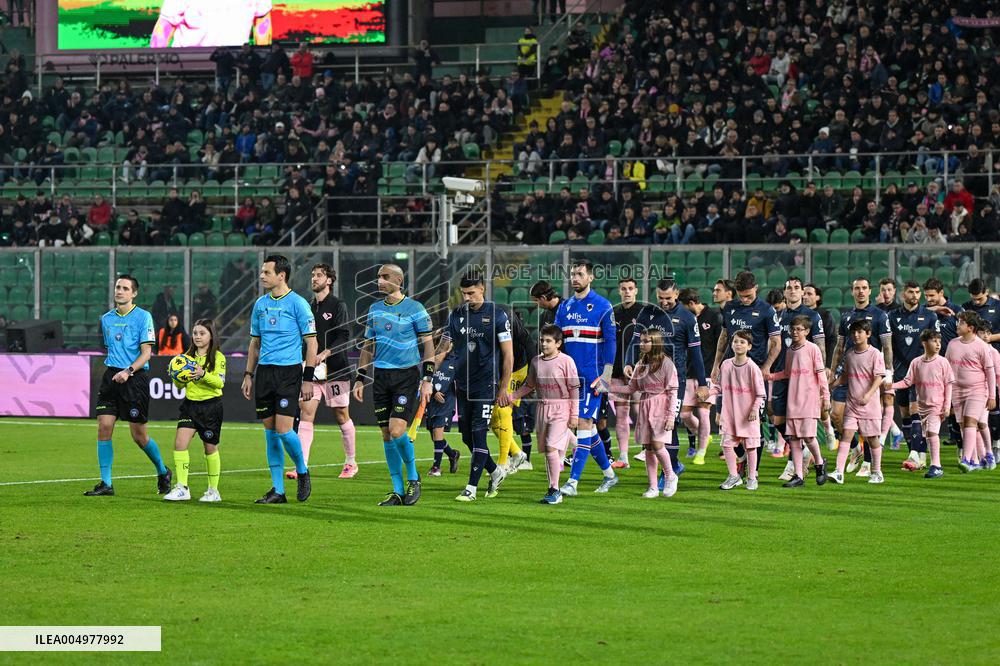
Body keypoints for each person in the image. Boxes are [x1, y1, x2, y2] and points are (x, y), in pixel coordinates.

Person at [352, 264, 434, 506]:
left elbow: (428, 345)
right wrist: (360, 377)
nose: (379, 281)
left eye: (385, 277)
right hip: (381, 377)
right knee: (386, 435)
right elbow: (368, 346)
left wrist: (427, 379)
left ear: (398, 280)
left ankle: (414, 478)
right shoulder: (374, 309)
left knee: (397, 430)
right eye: (378, 277)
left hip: (406, 376)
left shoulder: (415, 309)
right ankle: (397, 490)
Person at [85, 275, 171, 496]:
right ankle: (106, 483)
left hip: (134, 378)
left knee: (139, 436)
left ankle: (163, 471)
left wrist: (128, 371)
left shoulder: (143, 317)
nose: (119, 291)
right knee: (104, 426)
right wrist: (118, 372)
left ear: (134, 293)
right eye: (117, 287)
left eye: (125, 288)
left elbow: (146, 353)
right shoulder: (106, 319)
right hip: (111, 377)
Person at [241, 255, 317, 504]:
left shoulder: (298, 304)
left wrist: (308, 378)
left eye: (267, 272)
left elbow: (312, 343)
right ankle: (278, 490)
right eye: (262, 272)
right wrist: (248, 374)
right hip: (265, 373)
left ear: (281, 275)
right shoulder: (260, 304)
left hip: (289, 372)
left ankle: (302, 469)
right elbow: (255, 343)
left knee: (284, 430)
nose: (262, 276)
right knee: (270, 433)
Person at [434, 272, 514, 502]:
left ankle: (471, 488)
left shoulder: (497, 315)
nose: (467, 298)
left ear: (482, 288)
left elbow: (508, 355)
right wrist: (427, 376)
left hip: (486, 384)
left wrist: (503, 388)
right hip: (462, 384)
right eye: (464, 293)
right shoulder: (457, 314)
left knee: (479, 435)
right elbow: (443, 348)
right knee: (467, 438)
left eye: (471, 293)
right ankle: (496, 471)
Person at [625, 278, 708, 477]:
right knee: (655, 426)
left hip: (675, 380)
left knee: (671, 422)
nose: (664, 302)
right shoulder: (647, 313)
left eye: (668, 298)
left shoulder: (687, 318)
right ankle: (673, 466)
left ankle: (667, 473)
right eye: (660, 298)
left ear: (677, 294)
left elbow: (696, 352)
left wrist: (702, 383)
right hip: (650, 380)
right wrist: (628, 362)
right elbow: (635, 340)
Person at [556, 260, 619, 497]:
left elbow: (611, 341)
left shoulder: (603, 305)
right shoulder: (565, 307)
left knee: (583, 424)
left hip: (592, 379)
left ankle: (572, 482)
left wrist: (607, 375)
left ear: (590, 277)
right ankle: (610, 475)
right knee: (589, 430)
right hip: (570, 379)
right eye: (573, 274)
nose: (575, 278)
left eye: (580, 274)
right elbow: (558, 341)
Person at [288, 264, 357, 481]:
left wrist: (325, 353)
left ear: (329, 280)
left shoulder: (338, 305)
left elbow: (344, 335)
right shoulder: (308, 307)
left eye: (319, 275)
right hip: (312, 370)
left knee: (341, 414)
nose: (314, 278)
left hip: (336, 369)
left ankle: (351, 462)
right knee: (306, 413)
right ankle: (301, 466)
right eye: (312, 275)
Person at [711, 271, 780, 474]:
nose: (745, 300)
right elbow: (724, 337)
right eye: (742, 296)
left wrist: (766, 367)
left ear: (756, 288)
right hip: (731, 372)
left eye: (749, 296)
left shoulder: (767, 310)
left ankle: (752, 471)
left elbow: (776, 342)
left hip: (754, 372)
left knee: (754, 422)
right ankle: (741, 458)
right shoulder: (730, 307)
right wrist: (716, 365)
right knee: (723, 419)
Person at [828, 277, 893, 478]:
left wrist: (888, 373)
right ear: (852, 291)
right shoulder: (846, 316)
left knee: (870, 430)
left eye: (864, 288)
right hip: (848, 371)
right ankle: (855, 450)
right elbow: (839, 346)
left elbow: (887, 346)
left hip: (870, 375)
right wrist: (833, 373)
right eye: (857, 288)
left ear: (870, 291)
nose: (861, 291)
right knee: (835, 415)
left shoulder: (880, 315)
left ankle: (870, 465)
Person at [512, 325, 580, 504]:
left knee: (550, 448)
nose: (544, 344)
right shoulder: (535, 361)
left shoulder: (567, 361)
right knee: (547, 450)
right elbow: (529, 385)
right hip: (542, 408)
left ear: (558, 343)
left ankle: (554, 490)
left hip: (561, 407)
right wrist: (512, 397)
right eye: (542, 340)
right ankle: (575, 444)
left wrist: (574, 415)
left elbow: (574, 389)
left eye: (548, 341)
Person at [164, 319, 226, 502]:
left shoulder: (218, 357)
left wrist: (203, 374)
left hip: (211, 407)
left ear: (211, 336)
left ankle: (213, 491)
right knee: (179, 444)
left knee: (210, 447)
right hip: (190, 405)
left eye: (202, 333)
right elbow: (179, 385)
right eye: (195, 333)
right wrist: (176, 376)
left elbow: (220, 382)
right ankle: (182, 488)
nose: (197, 337)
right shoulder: (186, 357)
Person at [614, 330, 680, 499]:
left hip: (661, 406)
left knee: (657, 445)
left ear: (655, 343)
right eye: (641, 341)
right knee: (649, 448)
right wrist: (609, 387)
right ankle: (652, 487)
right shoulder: (640, 364)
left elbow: (673, 392)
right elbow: (631, 388)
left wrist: (671, 416)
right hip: (645, 405)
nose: (641, 344)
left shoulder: (667, 364)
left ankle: (670, 475)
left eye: (646, 341)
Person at [771, 277, 825, 481]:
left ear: (802, 292)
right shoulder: (777, 316)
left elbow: (819, 346)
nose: (792, 291)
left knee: (803, 432)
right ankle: (801, 457)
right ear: (784, 292)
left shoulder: (812, 316)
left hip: (803, 381)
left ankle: (795, 465)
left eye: (796, 287)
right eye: (789, 288)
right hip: (782, 374)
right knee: (778, 420)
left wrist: (821, 379)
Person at [765, 315, 830, 487]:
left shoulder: (813, 349)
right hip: (792, 400)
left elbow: (821, 374)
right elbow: (787, 373)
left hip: (809, 400)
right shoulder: (790, 350)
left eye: (799, 329)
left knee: (808, 437)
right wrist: (770, 376)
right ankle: (799, 476)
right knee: (793, 438)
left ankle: (819, 464)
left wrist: (826, 397)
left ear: (807, 331)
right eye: (793, 329)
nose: (795, 332)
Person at [888, 281, 939, 470]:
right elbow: (888, 344)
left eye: (918, 292)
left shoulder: (930, 316)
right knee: (905, 414)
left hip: (921, 371)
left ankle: (916, 455)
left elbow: (936, 343)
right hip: (900, 371)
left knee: (915, 410)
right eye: (911, 292)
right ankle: (917, 454)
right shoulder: (892, 316)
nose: (915, 295)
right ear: (903, 294)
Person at [892, 330, 953, 478]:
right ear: (924, 343)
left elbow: (949, 384)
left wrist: (947, 406)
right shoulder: (916, 362)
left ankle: (936, 466)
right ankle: (928, 463)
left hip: (936, 406)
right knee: (928, 436)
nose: (938, 344)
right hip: (922, 407)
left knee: (932, 434)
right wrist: (891, 386)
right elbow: (908, 381)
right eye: (934, 341)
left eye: (939, 341)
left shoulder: (943, 362)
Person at [713, 330, 766, 491]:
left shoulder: (752, 368)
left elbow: (760, 394)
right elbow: (719, 387)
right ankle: (734, 476)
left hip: (748, 415)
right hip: (730, 414)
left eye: (742, 342)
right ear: (731, 344)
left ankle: (752, 478)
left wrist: (754, 410)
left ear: (749, 346)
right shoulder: (726, 364)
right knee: (727, 445)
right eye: (736, 341)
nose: (738, 344)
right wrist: (708, 393)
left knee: (750, 447)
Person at [945, 312, 996, 472]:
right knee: (963, 425)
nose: (957, 325)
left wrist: (992, 396)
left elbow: (990, 372)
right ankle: (979, 459)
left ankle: (967, 460)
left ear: (970, 328)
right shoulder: (952, 344)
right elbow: (946, 369)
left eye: (961, 323)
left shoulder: (981, 346)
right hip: (957, 391)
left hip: (977, 390)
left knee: (971, 422)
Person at [677, 287, 722, 465]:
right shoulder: (685, 318)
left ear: (691, 303)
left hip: (708, 372)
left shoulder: (713, 317)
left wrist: (717, 369)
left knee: (704, 413)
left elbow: (721, 344)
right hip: (688, 372)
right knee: (684, 414)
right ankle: (704, 435)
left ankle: (701, 452)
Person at [609, 277, 643, 468]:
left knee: (642, 411)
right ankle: (623, 457)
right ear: (619, 291)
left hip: (639, 373)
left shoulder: (644, 313)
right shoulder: (613, 313)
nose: (627, 292)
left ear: (636, 290)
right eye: (624, 288)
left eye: (630, 288)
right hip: (617, 372)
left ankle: (647, 449)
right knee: (622, 414)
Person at [150, 0, 272, 48]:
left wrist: (264, 57)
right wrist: (153, 65)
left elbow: (263, 22)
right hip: (188, 63)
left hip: (236, 62)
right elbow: (164, 27)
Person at [425, 349, 461, 477]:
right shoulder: (431, 359)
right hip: (431, 402)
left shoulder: (455, 360)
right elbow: (425, 378)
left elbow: (460, 381)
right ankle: (452, 454)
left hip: (446, 402)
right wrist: (434, 392)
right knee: (434, 437)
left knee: (437, 433)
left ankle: (436, 468)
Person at [962, 278, 1000, 351]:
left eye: (980, 299)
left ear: (987, 292)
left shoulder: (998, 306)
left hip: (994, 351)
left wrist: (989, 338)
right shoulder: (965, 307)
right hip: (971, 352)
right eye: (973, 299)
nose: (976, 302)